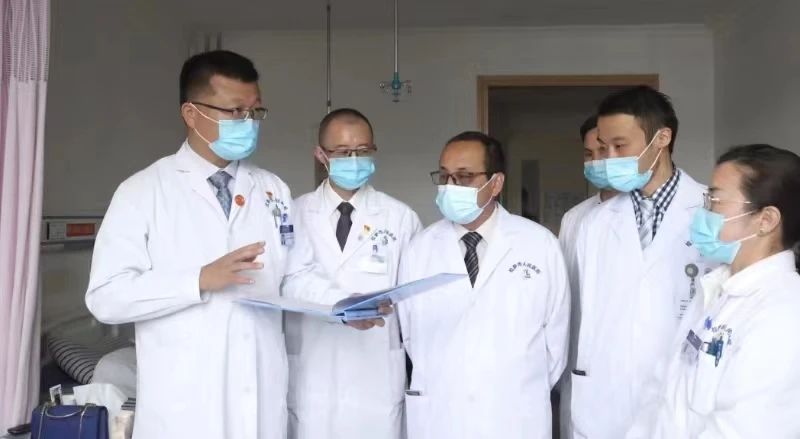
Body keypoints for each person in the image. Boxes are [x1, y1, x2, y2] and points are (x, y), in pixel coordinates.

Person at [85, 50, 384, 439]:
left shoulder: (272, 189)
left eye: (254, 111)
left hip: (259, 401)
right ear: (192, 114)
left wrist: (340, 305)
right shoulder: (143, 191)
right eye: (235, 111)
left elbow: (295, 274)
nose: (248, 122)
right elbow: (106, 297)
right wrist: (198, 280)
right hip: (185, 409)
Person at [398, 131, 570, 439]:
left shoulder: (539, 244)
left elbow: (556, 341)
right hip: (441, 411)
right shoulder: (419, 249)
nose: (451, 187)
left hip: (514, 414)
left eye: (464, 177)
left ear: (496, 183)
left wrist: (516, 386)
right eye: (444, 176)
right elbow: (410, 333)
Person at [568, 86, 715, 439]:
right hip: (605, 399)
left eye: (620, 146)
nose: (608, 158)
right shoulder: (595, 223)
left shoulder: (711, 212)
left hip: (681, 395)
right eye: (604, 147)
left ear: (662, 138)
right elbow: (585, 318)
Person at [625, 144, 800, 438]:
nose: (703, 211)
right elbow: (663, 390)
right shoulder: (716, 289)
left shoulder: (784, 312)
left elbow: (742, 429)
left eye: (715, 201)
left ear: (766, 220)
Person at [286, 108, 421, 439]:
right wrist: (341, 305)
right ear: (321, 155)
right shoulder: (293, 213)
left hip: (376, 376)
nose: (355, 160)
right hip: (312, 374)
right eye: (343, 152)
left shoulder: (400, 218)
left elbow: (414, 305)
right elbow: (285, 283)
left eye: (363, 151)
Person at [557, 114, 617, 438]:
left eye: (603, 151)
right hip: (581, 363)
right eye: (588, 154)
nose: (596, 162)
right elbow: (563, 294)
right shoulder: (574, 218)